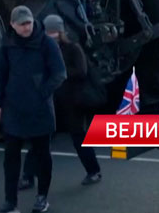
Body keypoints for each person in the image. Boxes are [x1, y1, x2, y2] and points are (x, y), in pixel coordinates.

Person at [0, 6, 66, 213]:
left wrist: (41, 93)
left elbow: (59, 74)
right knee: (10, 157)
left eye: (29, 23)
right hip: (13, 108)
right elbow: (1, 75)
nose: (27, 27)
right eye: (22, 24)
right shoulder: (7, 45)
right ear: (13, 25)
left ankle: (42, 197)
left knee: (43, 155)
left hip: (40, 109)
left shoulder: (47, 44)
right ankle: (10, 202)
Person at [19, 16, 101, 189]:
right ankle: (27, 177)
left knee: (79, 137)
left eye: (54, 32)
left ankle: (94, 171)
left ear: (61, 32)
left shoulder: (73, 48)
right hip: (51, 101)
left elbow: (81, 71)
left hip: (72, 102)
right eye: (48, 32)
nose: (51, 35)